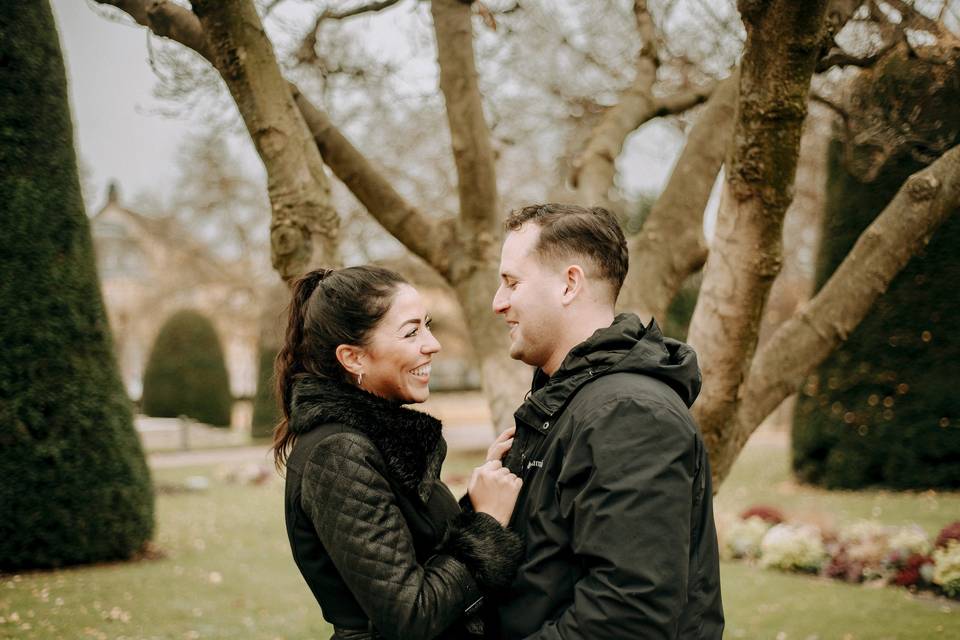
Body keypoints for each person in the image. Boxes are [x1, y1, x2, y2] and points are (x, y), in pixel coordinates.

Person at [491, 204, 724, 639]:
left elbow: (627, 617)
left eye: (511, 282)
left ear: (569, 284)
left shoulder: (628, 414)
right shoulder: (567, 400)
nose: (498, 302)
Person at [274, 265, 524, 640]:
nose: (432, 344)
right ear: (353, 358)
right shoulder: (338, 454)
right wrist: (485, 524)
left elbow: (419, 549)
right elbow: (410, 617)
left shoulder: (373, 441)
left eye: (427, 324)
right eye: (411, 332)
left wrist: (481, 499)